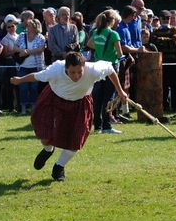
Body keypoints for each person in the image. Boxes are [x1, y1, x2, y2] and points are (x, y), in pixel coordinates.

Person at [11, 52, 128, 182]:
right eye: (72, 72)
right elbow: (36, 76)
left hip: (80, 102)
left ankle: (59, 167)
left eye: (80, 72)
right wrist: (19, 80)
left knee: (76, 139)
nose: (76, 76)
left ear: (84, 66)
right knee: (45, 136)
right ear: (65, 68)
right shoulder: (55, 70)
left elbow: (111, 69)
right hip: (54, 99)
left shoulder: (94, 69)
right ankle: (48, 150)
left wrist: (120, 90)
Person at [87, 9, 124, 133]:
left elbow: (89, 44)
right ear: (112, 21)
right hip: (111, 67)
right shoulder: (113, 34)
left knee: (98, 97)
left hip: (98, 66)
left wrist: (100, 48)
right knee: (109, 97)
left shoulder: (96, 32)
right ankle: (107, 126)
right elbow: (120, 54)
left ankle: (97, 126)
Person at [13, 18, 47, 114]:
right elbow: (14, 47)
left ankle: (33, 107)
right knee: (23, 87)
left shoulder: (40, 37)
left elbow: (40, 49)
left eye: (30, 25)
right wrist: (21, 51)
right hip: (22, 66)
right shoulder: (21, 36)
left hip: (36, 66)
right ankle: (23, 108)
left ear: (35, 27)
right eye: (27, 25)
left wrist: (28, 52)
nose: (27, 27)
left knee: (33, 87)